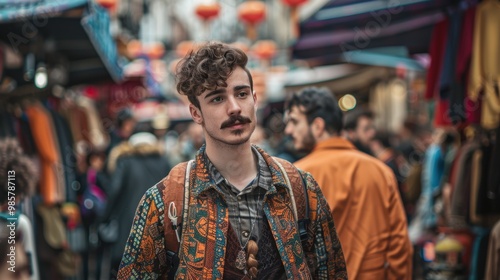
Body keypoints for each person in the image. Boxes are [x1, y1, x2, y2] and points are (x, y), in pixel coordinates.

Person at [117, 42, 347, 279]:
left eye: (242, 94)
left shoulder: (299, 188)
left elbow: (332, 272)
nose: (235, 108)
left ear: (254, 99)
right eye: (217, 99)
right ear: (196, 113)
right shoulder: (166, 200)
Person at [284, 87, 413, 280]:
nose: (288, 130)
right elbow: (400, 247)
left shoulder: (296, 176)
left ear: (318, 126)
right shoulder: (380, 171)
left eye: (294, 122)